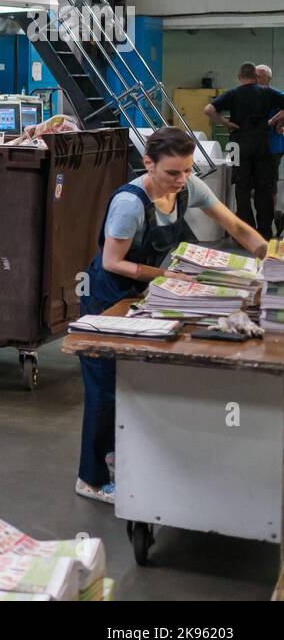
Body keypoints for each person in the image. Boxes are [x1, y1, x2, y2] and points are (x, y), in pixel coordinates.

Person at [75, 127, 266, 503]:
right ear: (148, 164)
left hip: (146, 296)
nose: (182, 180)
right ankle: (91, 478)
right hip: (108, 298)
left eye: (188, 171)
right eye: (172, 173)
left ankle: (115, 451)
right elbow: (113, 262)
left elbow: (237, 227)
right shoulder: (130, 203)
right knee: (105, 390)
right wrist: (169, 275)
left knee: (137, 382)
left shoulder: (189, 188)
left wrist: (269, 260)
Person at [204, 62, 284, 238]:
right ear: (256, 77)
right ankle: (264, 232)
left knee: (241, 188)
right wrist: (274, 122)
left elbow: (208, 109)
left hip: (237, 144)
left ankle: (245, 234)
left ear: (239, 77)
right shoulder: (267, 92)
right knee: (265, 187)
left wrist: (226, 123)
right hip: (263, 144)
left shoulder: (233, 93)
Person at [257, 64, 284, 235]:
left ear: (268, 78)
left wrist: (273, 121)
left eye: (259, 76)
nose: (256, 79)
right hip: (255, 146)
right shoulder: (252, 95)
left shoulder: (275, 95)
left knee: (268, 184)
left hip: (273, 146)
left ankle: (275, 216)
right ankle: (276, 215)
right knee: (254, 186)